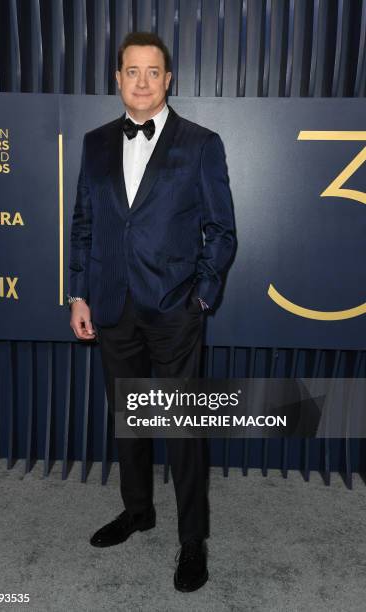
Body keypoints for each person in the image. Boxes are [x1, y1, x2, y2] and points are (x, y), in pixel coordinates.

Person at [68, 31, 236, 592]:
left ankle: (193, 540)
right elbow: (84, 226)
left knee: (183, 429)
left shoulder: (202, 143)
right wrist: (79, 294)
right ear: (117, 78)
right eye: (131, 71)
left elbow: (221, 231)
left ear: (169, 80)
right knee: (130, 421)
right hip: (112, 305)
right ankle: (138, 510)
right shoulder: (93, 144)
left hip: (173, 311)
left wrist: (201, 298)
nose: (142, 81)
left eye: (152, 71)